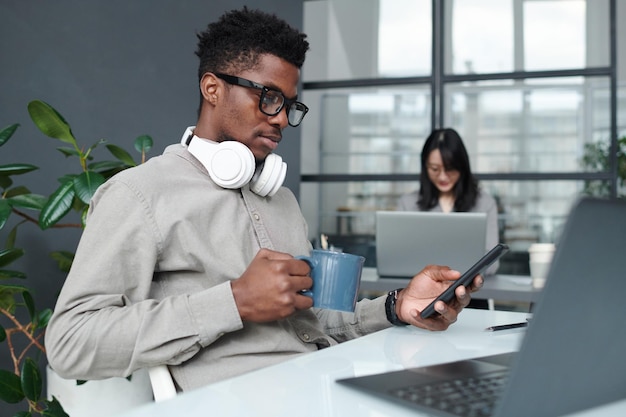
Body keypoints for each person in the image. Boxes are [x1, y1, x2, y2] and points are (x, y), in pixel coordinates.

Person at [45, 8, 482, 393]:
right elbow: (70, 343)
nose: (281, 120)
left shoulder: (280, 200)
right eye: (268, 97)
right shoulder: (139, 195)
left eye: (289, 105)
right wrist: (233, 301)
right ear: (212, 88)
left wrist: (397, 305)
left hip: (324, 385)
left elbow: (314, 321)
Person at [397, 128, 500, 275]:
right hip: (421, 293)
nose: (443, 177)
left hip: (473, 293)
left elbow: (492, 264)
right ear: (425, 166)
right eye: (434, 169)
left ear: (462, 167)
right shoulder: (407, 204)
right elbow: (399, 259)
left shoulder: (485, 204)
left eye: (450, 169)